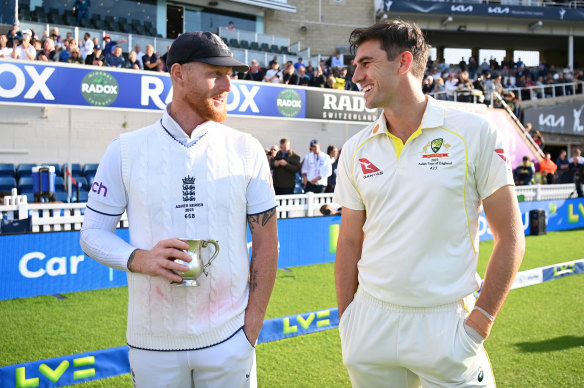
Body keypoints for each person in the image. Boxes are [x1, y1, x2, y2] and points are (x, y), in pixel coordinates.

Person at [80, 31, 278, 387]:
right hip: (151, 342)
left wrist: (252, 327)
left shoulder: (247, 149)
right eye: (215, 73)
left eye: (230, 74)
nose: (228, 85)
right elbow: (92, 234)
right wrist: (139, 259)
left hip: (230, 339)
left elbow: (266, 241)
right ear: (178, 74)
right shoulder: (124, 150)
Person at [334, 19, 524, 388]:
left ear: (404, 62)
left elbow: (511, 237)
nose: (355, 75)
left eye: (366, 63)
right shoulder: (356, 148)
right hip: (371, 323)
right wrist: (348, 320)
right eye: (355, 65)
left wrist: (480, 321)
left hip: (447, 324)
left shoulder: (473, 132)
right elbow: (350, 242)